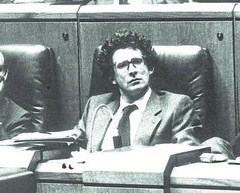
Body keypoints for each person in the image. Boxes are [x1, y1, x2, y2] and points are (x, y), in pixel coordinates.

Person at [74, 29, 202, 151]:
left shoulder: (176, 106)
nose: (133, 70)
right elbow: (70, 145)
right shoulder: (95, 105)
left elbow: (187, 154)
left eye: (137, 62)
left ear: (150, 68)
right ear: (112, 77)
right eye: (123, 65)